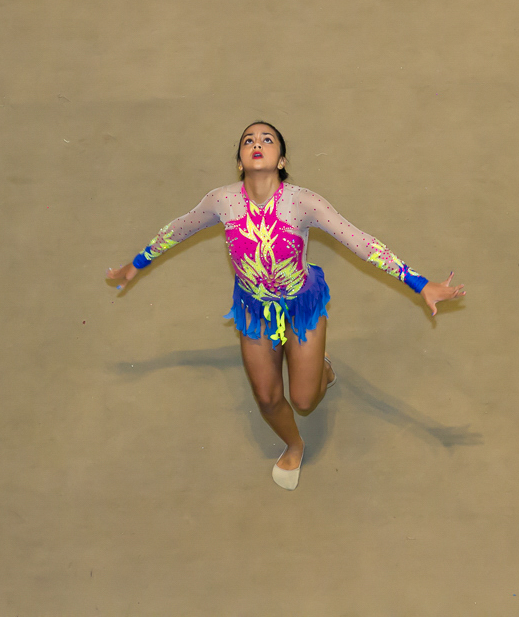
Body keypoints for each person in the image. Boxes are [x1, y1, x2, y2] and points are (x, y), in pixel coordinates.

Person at [106, 122, 465, 490]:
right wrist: (136, 264)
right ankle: (294, 444)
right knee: (266, 398)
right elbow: (178, 229)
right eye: (248, 140)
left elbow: (360, 242)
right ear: (240, 162)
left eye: (267, 139)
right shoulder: (221, 202)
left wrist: (420, 284)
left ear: (281, 160)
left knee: (305, 400)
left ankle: (323, 367)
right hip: (254, 311)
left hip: (301, 306)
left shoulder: (303, 203)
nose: (257, 143)